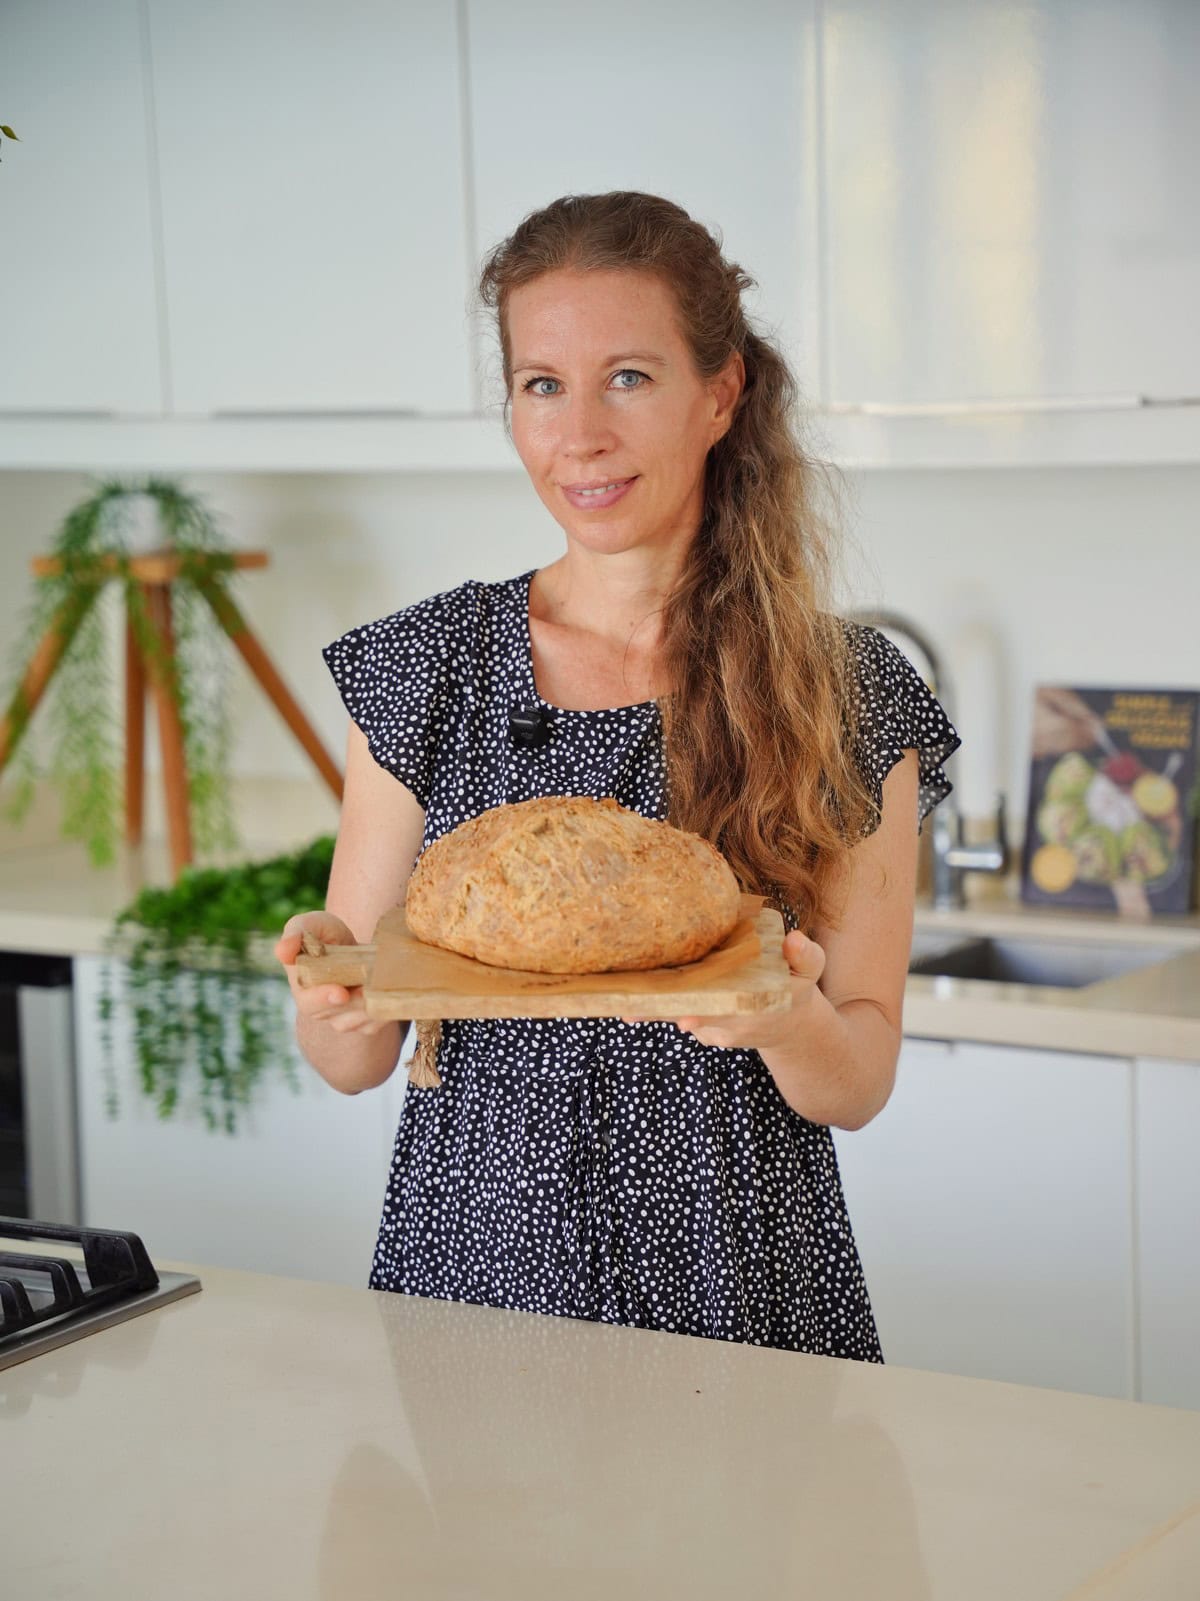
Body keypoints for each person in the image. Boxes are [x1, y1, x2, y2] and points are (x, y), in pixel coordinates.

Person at [274, 191, 960, 1359]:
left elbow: (858, 1076)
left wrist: (783, 1010)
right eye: (542, 383)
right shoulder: (430, 667)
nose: (578, 434)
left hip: (740, 1274)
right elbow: (356, 1057)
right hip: (478, 1265)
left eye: (628, 377)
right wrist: (327, 997)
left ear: (721, 393)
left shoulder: (844, 689)